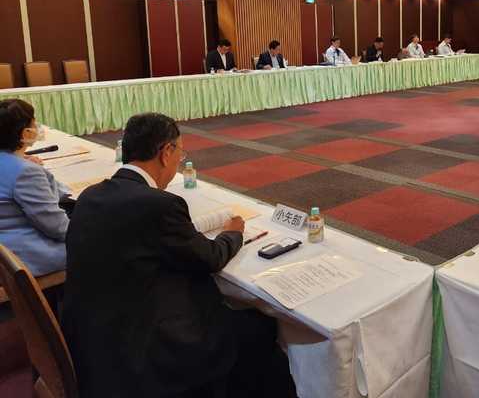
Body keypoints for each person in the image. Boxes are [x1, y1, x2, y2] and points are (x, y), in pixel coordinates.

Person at [61, 113, 295, 398]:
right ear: (166, 152)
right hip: (142, 352)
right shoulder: (160, 205)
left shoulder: (90, 195)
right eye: (180, 154)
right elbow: (209, 258)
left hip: (90, 335)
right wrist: (233, 233)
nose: (178, 162)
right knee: (258, 325)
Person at [0, 99, 69, 277]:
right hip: (22, 257)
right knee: (102, 245)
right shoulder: (25, 171)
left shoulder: (17, 165)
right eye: (34, 123)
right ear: (25, 133)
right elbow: (56, 227)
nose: (38, 127)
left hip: (6, 248)